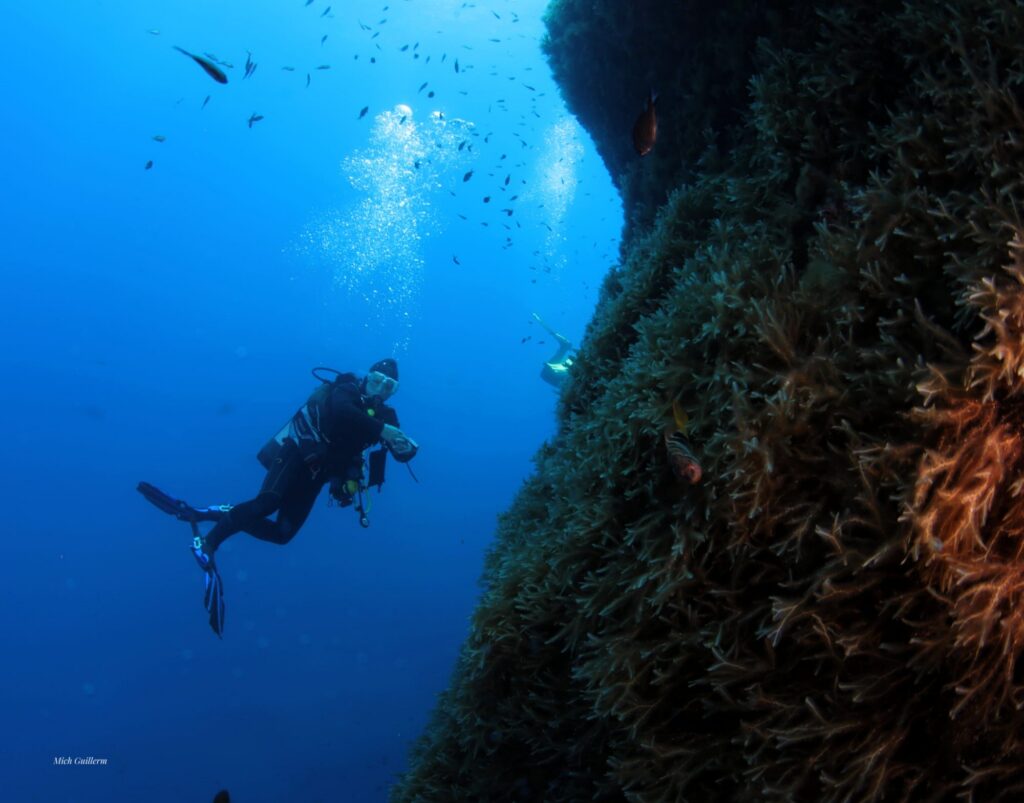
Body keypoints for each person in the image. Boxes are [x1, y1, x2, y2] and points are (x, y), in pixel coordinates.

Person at [138, 359, 418, 637]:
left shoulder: (387, 417)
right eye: (376, 379)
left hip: (317, 475)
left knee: (282, 534)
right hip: (296, 453)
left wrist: (406, 448)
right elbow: (343, 412)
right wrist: (383, 431)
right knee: (267, 503)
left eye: (389, 385)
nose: (380, 387)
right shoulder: (346, 390)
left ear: (394, 390)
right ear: (366, 377)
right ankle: (208, 544)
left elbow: (399, 449)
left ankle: (211, 513)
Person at [532, 312, 576, 388]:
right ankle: (564, 347)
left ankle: (564, 347)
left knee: (566, 349)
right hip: (551, 374)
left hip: (552, 374)